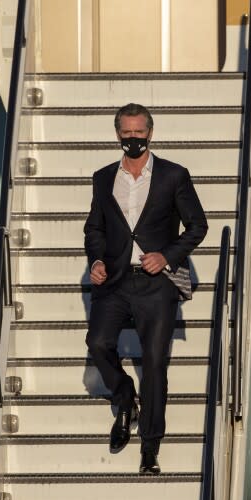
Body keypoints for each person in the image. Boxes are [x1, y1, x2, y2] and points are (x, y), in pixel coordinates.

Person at [84, 103, 208, 474]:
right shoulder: (104, 177)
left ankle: (150, 446)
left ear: (150, 134)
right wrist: (96, 260)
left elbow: (197, 226)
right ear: (117, 134)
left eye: (140, 132)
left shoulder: (173, 175)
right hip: (116, 282)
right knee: (98, 343)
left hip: (156, 284)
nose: (133, 138)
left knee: (155, 364)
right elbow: (95, 228)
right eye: (127, 132)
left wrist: (167, 257)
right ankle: (125, 399)